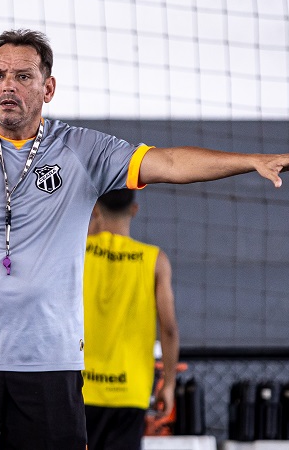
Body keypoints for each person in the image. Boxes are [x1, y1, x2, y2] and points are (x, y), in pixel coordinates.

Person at [0, 29, 289, 450]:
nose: (8, 85)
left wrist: (250, 160)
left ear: (48, 87)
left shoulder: (84, 151)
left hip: (48, 365)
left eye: (23, 76)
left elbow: (168, 163)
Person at [82, 188, 178, 450]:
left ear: (96, 210)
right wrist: (168, 384)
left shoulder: (77, 252)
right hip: (130, 390)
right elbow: (168, 328)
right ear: (134, 210)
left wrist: (91, 226)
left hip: (81, 388)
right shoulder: (155, 260)